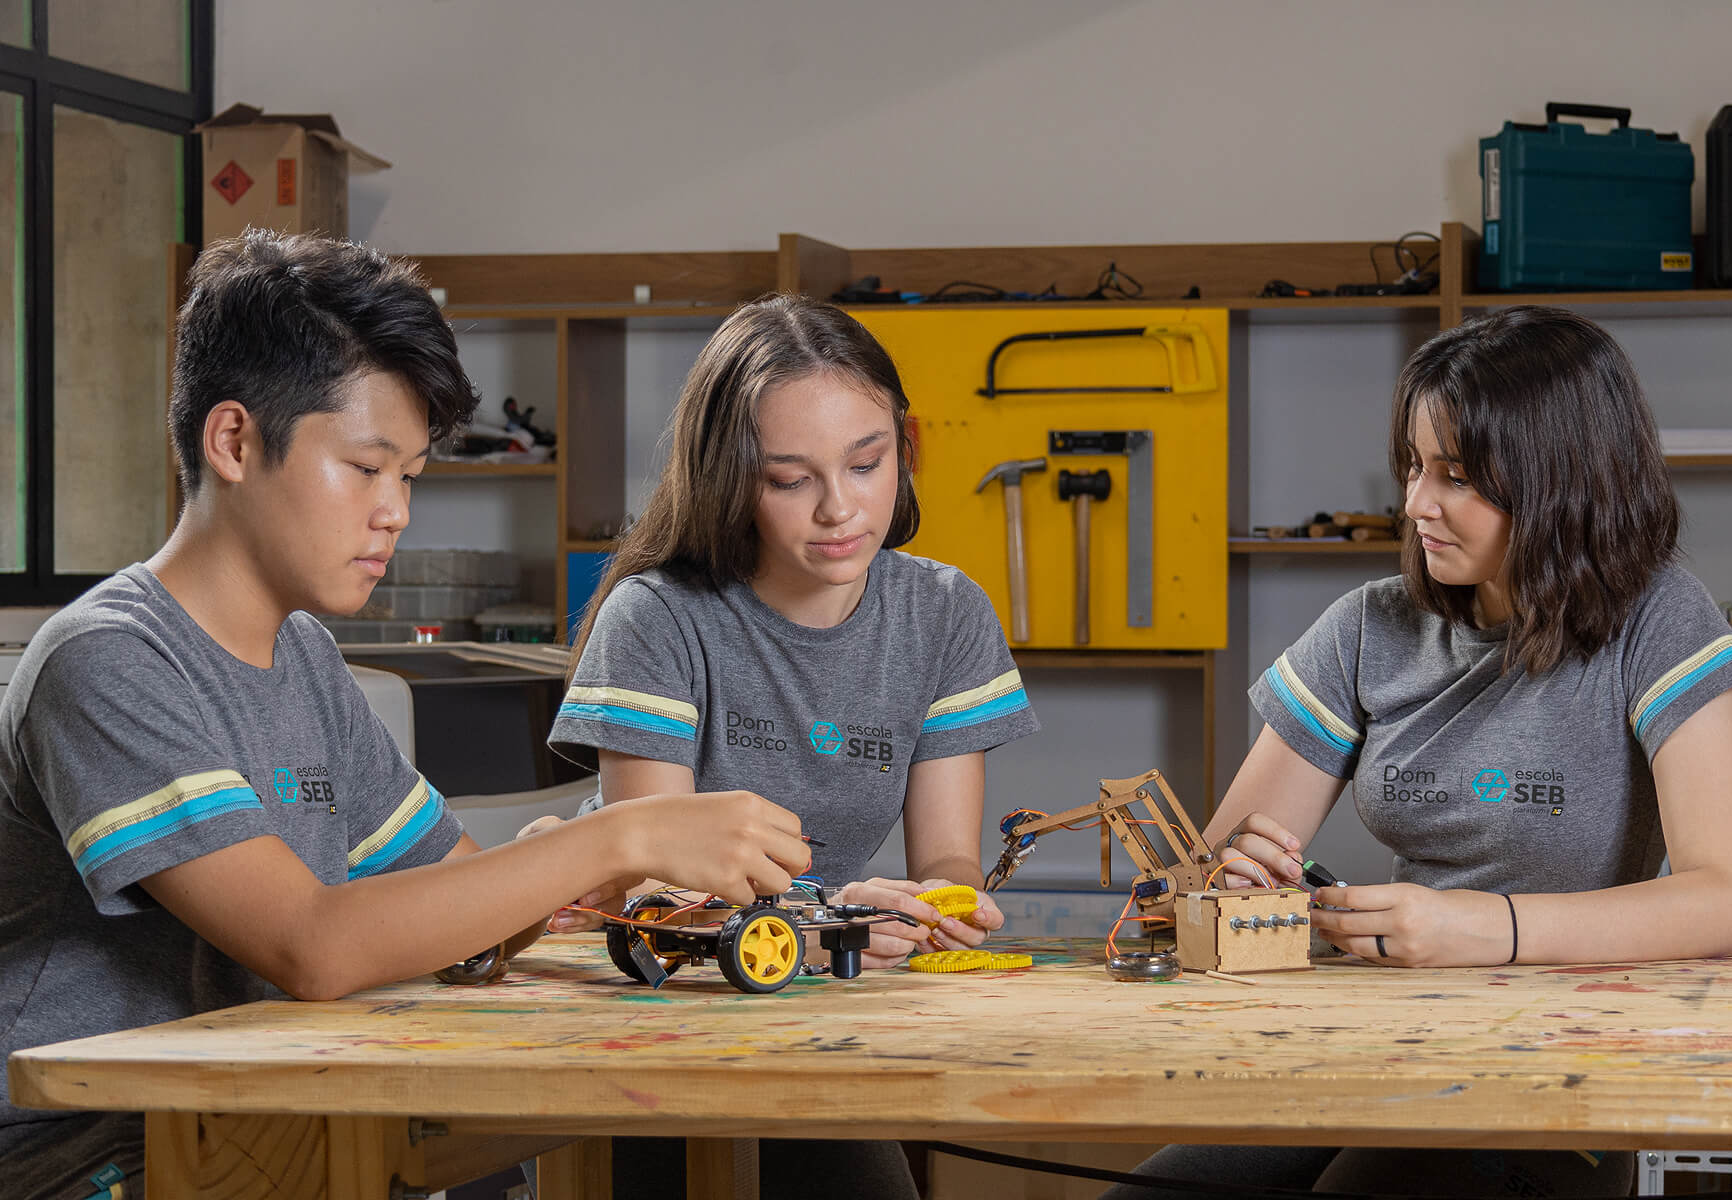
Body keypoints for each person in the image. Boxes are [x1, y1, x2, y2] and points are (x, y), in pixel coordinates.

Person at [0, 232, 811, 1200]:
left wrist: (603, 868)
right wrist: (615, 837)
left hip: (272, 1119)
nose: (395, 514)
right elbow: (315, 945)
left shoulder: (304, 659)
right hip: (98, 1155)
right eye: (366, 468)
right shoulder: (109, 661)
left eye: (412, 478)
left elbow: (454, 901)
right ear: (233, 441)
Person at [1105, 306, 1732, 1199]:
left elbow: (1729, 901)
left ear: (1563, 481)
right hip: (1372, 1046)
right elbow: (1204, 874)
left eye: (1457, 477)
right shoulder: (1369, 628)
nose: (1417, 502)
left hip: (1560, 1069)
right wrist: (1229, 880)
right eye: (1415, 467)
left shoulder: (1658, 620)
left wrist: (1484, 928)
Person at [537, 294, 1040, 1200]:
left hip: (801, 996)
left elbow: (949, 856)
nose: (840, 508)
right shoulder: (656, 618)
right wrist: (826, 919)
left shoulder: (945, 612)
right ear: (731, 478)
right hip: (654, 1007)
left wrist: (934, 909)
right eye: (789, 478)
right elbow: (659, 887)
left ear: (905, 448)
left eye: (867, 462)